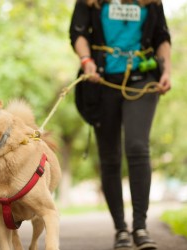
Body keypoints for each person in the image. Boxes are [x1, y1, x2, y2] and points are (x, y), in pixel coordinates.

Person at [69, 0, 171, 250]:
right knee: (110, 158)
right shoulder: (90, 2)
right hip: (102, 80)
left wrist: (166, 70)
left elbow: (162, 37)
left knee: (137, 147)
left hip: (142, 79)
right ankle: (121, 230)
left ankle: (140, 227)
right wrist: (86, 61)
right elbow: (78, 33)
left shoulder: (152, 2)